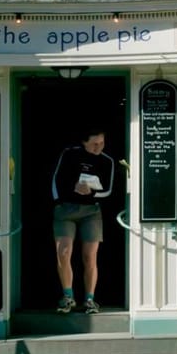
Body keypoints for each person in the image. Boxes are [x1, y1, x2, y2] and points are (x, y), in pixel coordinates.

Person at [51, 127, 114, 314]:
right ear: (84, 142)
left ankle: (89, 299)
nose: (98, 147)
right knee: (63, 252)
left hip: (91, 211)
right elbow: (56, 179)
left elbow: (109, 189)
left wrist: (92, 192)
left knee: (90, 256)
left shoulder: (106, 160)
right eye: (95, 143)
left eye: (102, 143)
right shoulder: (69, 154)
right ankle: (68, 296)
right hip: (66, 209)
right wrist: (59, 201)